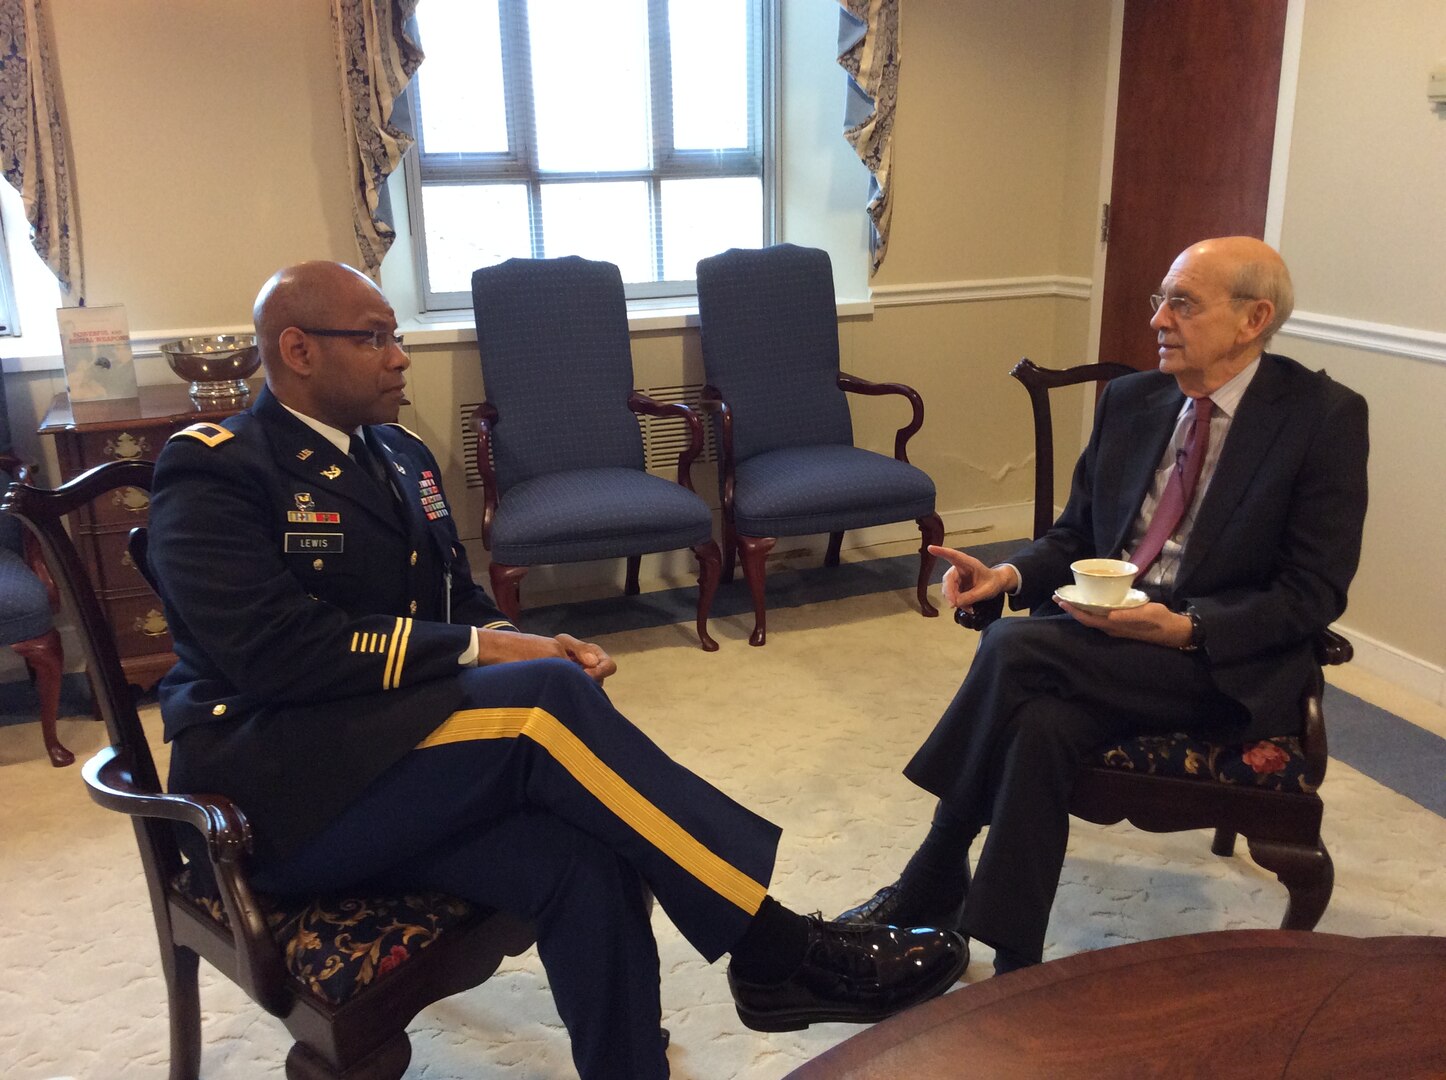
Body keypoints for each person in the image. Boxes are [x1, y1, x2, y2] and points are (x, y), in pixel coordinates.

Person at [145, 261, 966, 1079]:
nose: (400, 357)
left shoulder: (398, 453)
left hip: (401, 765)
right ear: (297, 350)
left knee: (587, 852)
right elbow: (272, 652)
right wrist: (493, 654)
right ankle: (778, 947)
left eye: (397, 336)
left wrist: (510, 635)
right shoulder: (216, 467)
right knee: (542, 698)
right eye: (374, 338)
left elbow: (456, 598)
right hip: (278, 796)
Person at [837, 236, 1369, 974]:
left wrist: (1187, 628)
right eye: (1159, 299)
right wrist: (1009, 579)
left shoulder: (1321, 417)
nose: (1158, 318)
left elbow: (1312, 593)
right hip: (1103, 647)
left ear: (1254, 320)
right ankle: (1011, 959)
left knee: (1013, 649)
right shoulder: (1132, 401)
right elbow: (1076, 536)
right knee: (1042, 725)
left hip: (1213, 664)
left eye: (1182, 302)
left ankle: (931, 870)